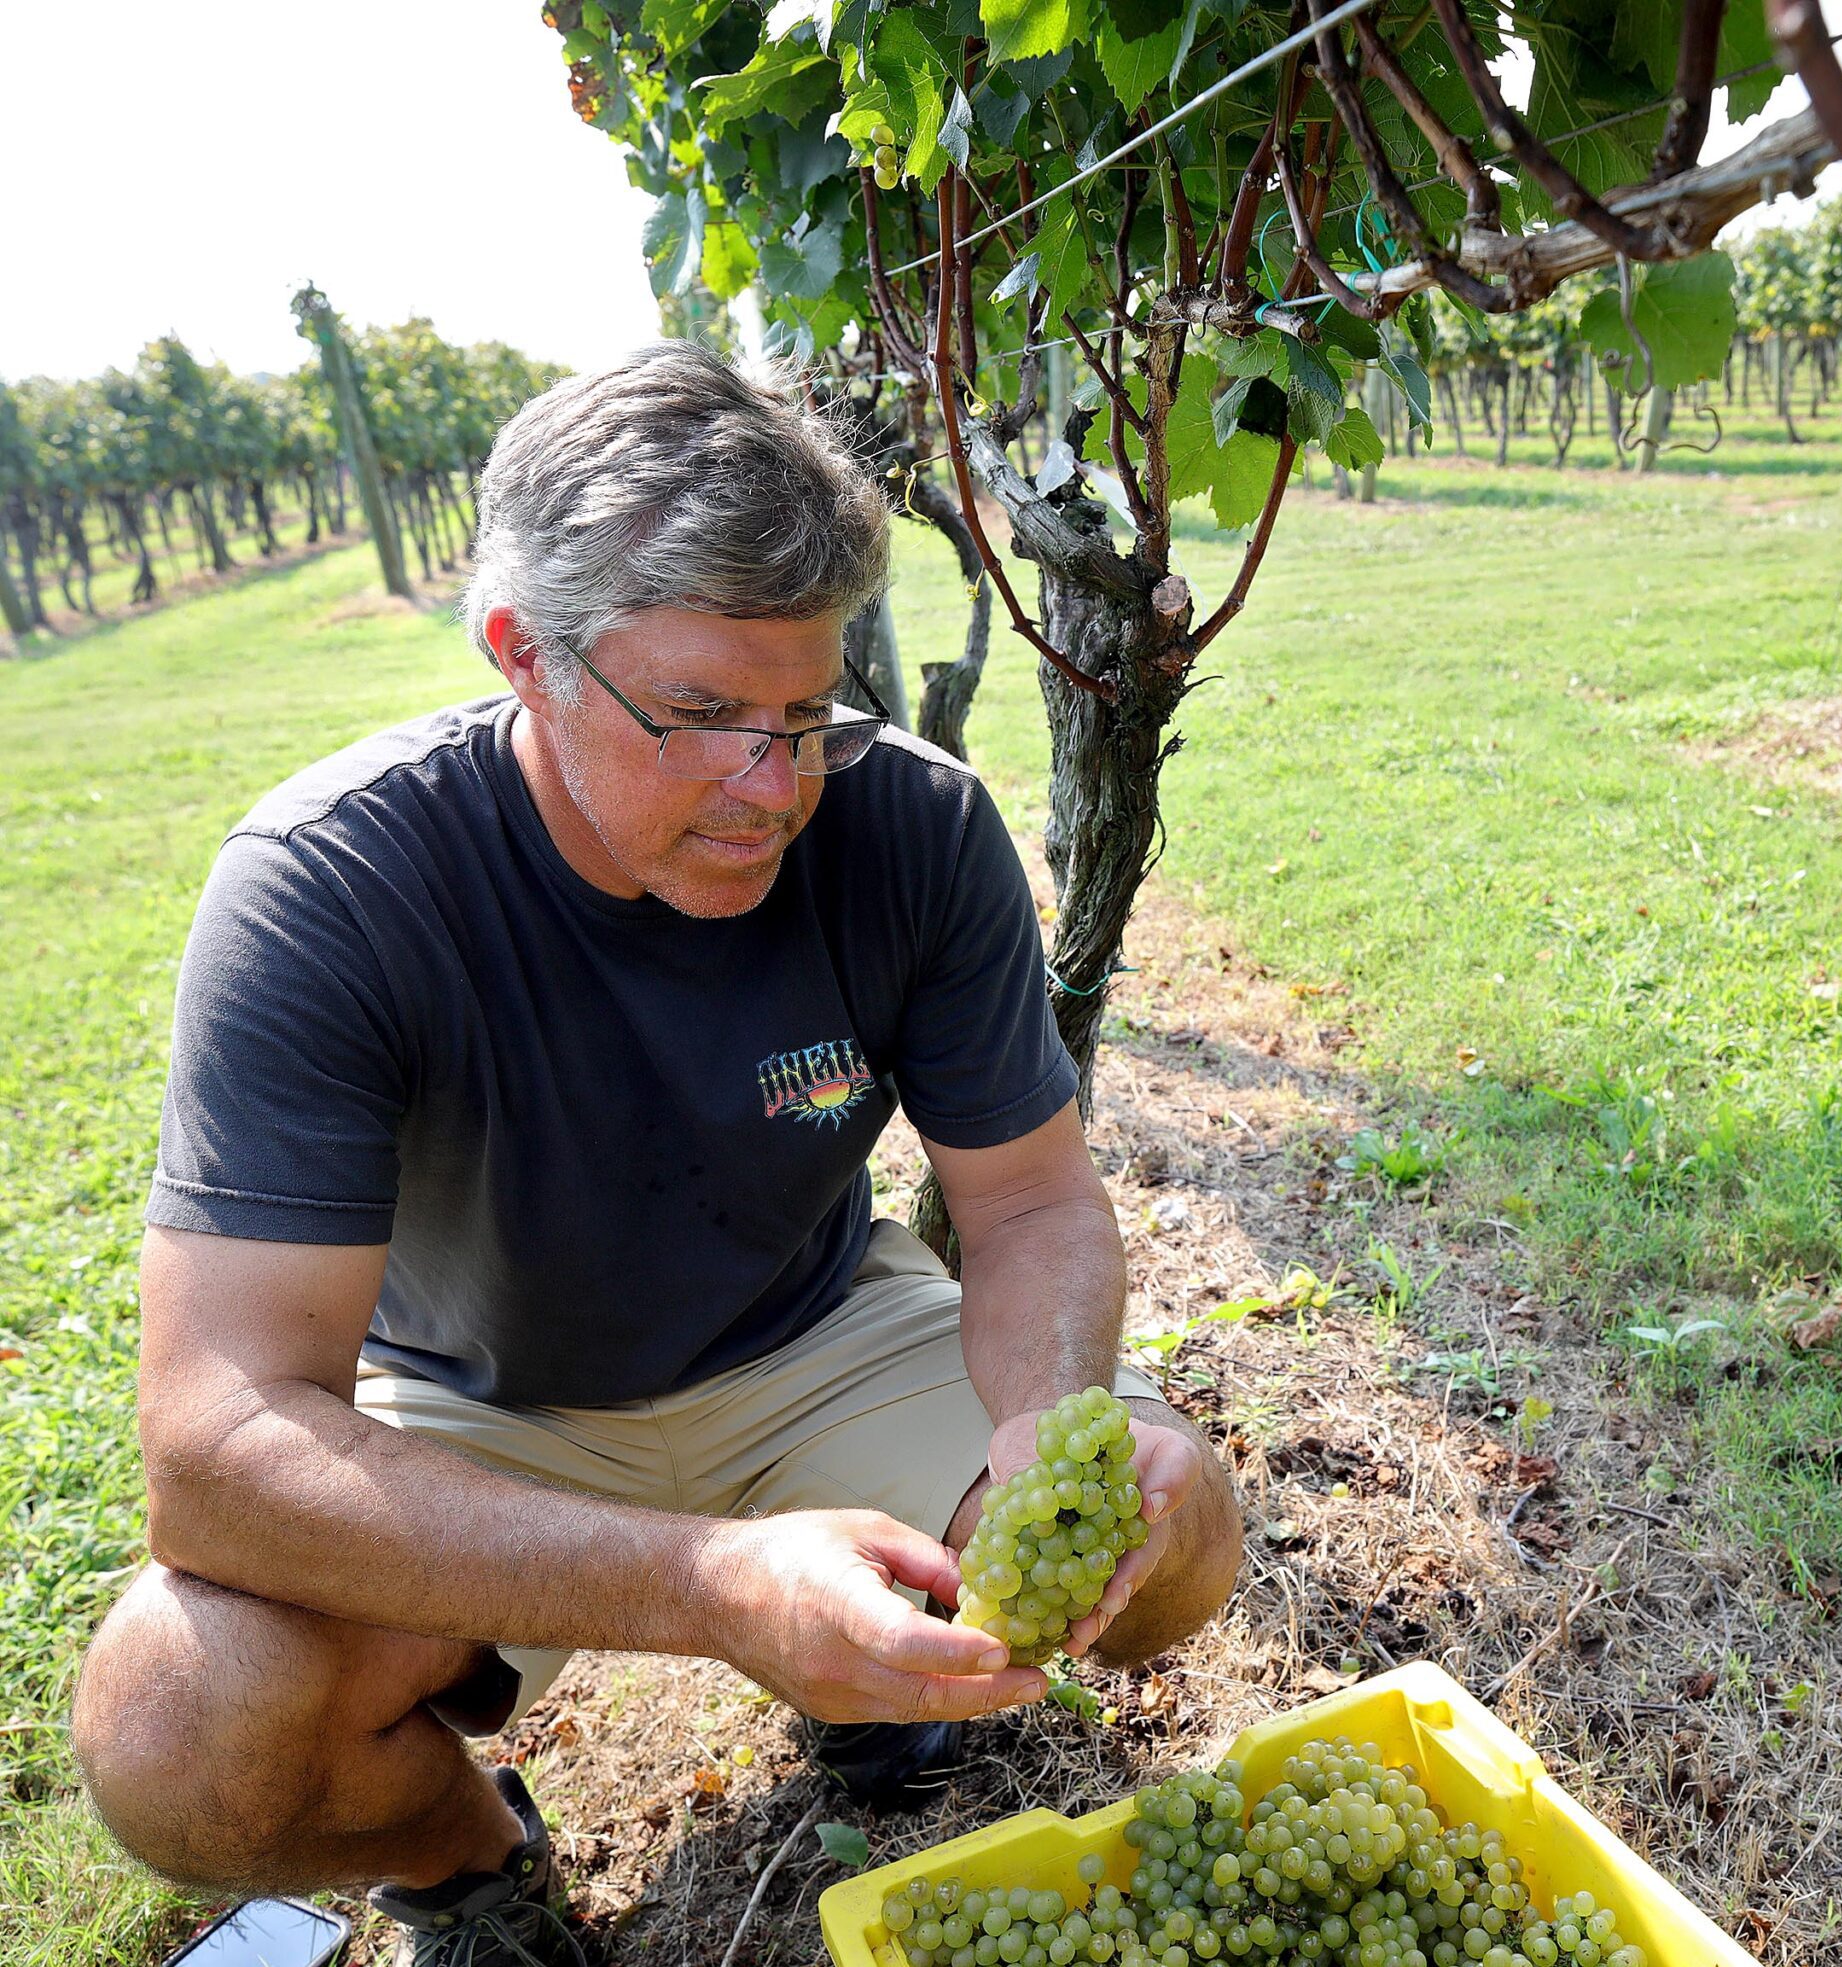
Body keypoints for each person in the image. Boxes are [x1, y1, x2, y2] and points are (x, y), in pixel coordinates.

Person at [68, 343, 1243, 1966]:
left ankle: (901, 1660)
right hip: (483, 1406)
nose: (771, 787)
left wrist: (1059, 1416)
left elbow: (1032, 1198)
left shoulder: (911, 822)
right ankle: (470, 1862)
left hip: (817, 1340)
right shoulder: (328, 890)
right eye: (699, 718)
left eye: (805, 713)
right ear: (521, 657)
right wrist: (705, 1584)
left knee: (1172, 1531)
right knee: (176, 1736)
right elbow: (215, 1445)